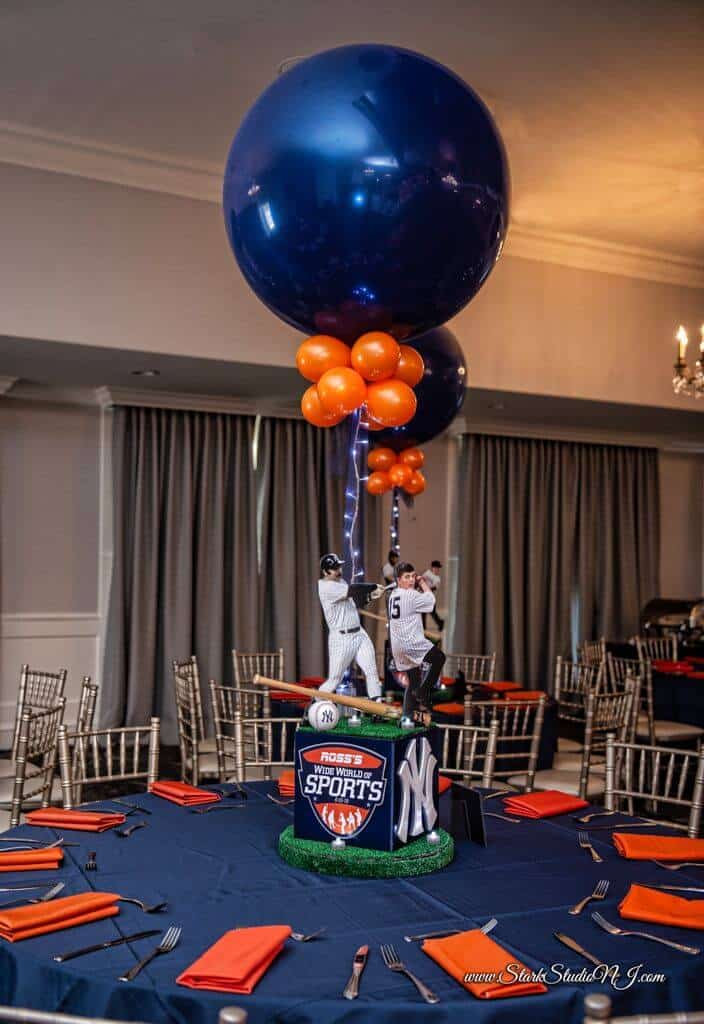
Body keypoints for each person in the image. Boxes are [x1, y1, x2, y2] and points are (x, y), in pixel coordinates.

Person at [388, 561, 446, 726]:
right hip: (411, 642)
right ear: (399, 580)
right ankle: (424, 691)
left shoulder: (393, 595)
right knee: (439, 658)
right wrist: (422, 583)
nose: (411, 580)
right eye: (407, 577)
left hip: (397, 646)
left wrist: (413, 585)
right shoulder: (411, 594)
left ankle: (406, 718)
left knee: (413, 680)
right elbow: (430, 602)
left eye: (413, 576)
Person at [318, 553, 383, 699]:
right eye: (334, 568)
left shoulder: (340, 582)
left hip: (359, 633)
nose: (338, 570)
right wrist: (373, 586)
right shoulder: (325, 587)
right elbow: (353, 590)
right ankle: (314, 704)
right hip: (341, 639)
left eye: (338, 566)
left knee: (372, 672)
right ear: (325, 572)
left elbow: (352, 604)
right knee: (334, 680)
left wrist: (369, 597)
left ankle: (377, 709)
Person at [421, 559, 445, 631]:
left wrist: (425, 588)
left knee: (432, 613)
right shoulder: (427, 573)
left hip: (431, 597)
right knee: (423, 612)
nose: (438, 570)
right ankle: (424, 627)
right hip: (424, 596)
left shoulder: (438, 579)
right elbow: (422, 580)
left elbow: (434, 588)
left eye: (438, 568)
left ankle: (440, 622)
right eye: (437, 568)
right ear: (433, 568)